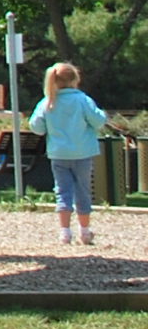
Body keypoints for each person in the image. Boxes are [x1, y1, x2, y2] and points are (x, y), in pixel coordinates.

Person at [28, 61, 110, 248]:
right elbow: (98, 122)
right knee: (82, 190)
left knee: (62, 191)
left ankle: (65, 232)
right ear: (75, 79)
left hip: (58, 154)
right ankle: (85, 230)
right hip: (82, 152)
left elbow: (36, 127)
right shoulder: (83, 100)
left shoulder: (48, 101)